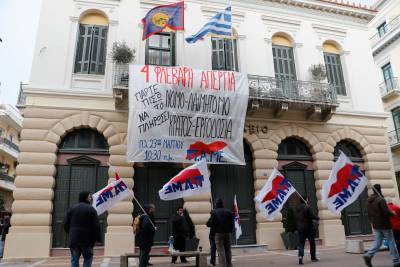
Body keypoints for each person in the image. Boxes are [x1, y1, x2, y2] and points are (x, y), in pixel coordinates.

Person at [364, 184, 400, 267]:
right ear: (380, 189)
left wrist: (373, 222)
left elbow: (369, 214)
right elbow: (386, 212)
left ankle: (368, 255)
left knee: (378, 242)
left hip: (376, 225)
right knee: (391, 242)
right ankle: (396, 261)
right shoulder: (381, 200)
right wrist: (393, 214)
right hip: (385, 224)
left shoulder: (369, 201)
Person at [64, 191, 101, 267]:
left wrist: (71, 233)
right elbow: (96, 226)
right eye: (89, 197)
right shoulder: (91, 209)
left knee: (74, 259)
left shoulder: (72, 208)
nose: (91, 198)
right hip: (87, 241)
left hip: (74, 240)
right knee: (88, 258)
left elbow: (65, 224)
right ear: (86, 198)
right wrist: (97, 239)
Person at [209, 198, 234, 267]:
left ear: (216, 204)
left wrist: (212, 234)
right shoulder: (228, 211)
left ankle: (223, 265)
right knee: (228, 249)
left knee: (221, 250)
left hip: (218, 233)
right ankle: (229, 264)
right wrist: (231, 231)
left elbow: (212, 224)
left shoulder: (214, 212)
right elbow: (232, 223)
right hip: (227, 233)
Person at [296, 196, 319, 265]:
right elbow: (312, 216)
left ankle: (300, 257)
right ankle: (313, 257)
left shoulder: (297, 209)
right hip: (309, 228)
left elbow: (296, 218)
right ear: (305, 200)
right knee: (312, 243)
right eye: (307, 199)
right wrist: (317, 217)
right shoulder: (307, 207)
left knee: (301, 243)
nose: (308, 200)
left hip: (300, 228)